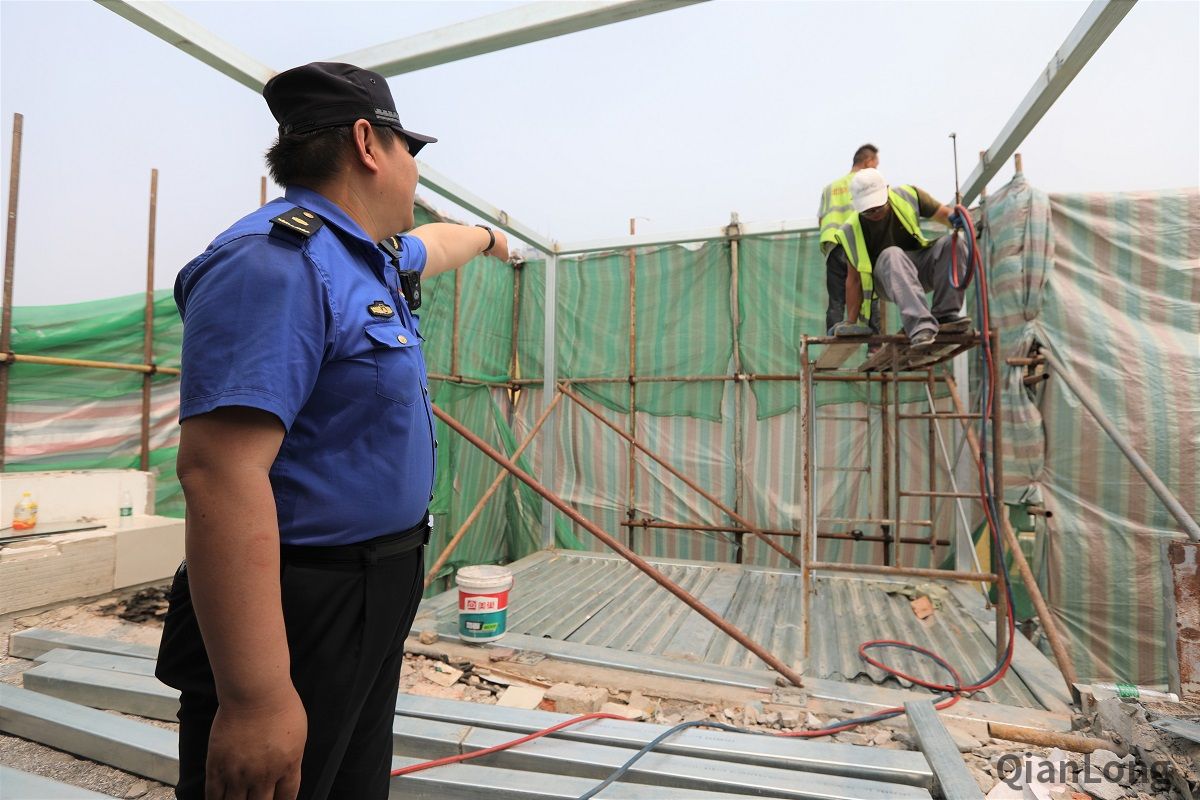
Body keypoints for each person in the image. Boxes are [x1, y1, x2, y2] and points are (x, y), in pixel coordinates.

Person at [155, 61, 510, 800]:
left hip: (377, 587)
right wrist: (256, 700)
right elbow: (220, 471)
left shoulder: (369, 257)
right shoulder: (276, 265)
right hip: (299, 603)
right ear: (368, 144)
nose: (417, 172)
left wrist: (486, 237)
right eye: (411, 150)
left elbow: (437, 245)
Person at [830, 167, 971, 350]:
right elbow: (854, 280)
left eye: (878, 207)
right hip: (886, 279)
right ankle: (920, 327)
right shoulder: (850, 231)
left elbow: (944, 214)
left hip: (919, 267)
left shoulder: (908, 195)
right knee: (892, 253)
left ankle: (945, 314)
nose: (875, 214)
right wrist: (850, 321)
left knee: (953, 243)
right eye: (868, 211)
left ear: (887, 190)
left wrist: (954, 218)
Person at [818, 144, 881, 335]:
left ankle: (832, 337)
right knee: (869, 292)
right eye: (875, 165)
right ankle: (874, 343)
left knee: (836, 298)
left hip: (833, 245)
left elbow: (821, 220)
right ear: (868, 162)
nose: (876, 170)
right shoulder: (868, 185)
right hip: (857, 245)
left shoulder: (830, 188)